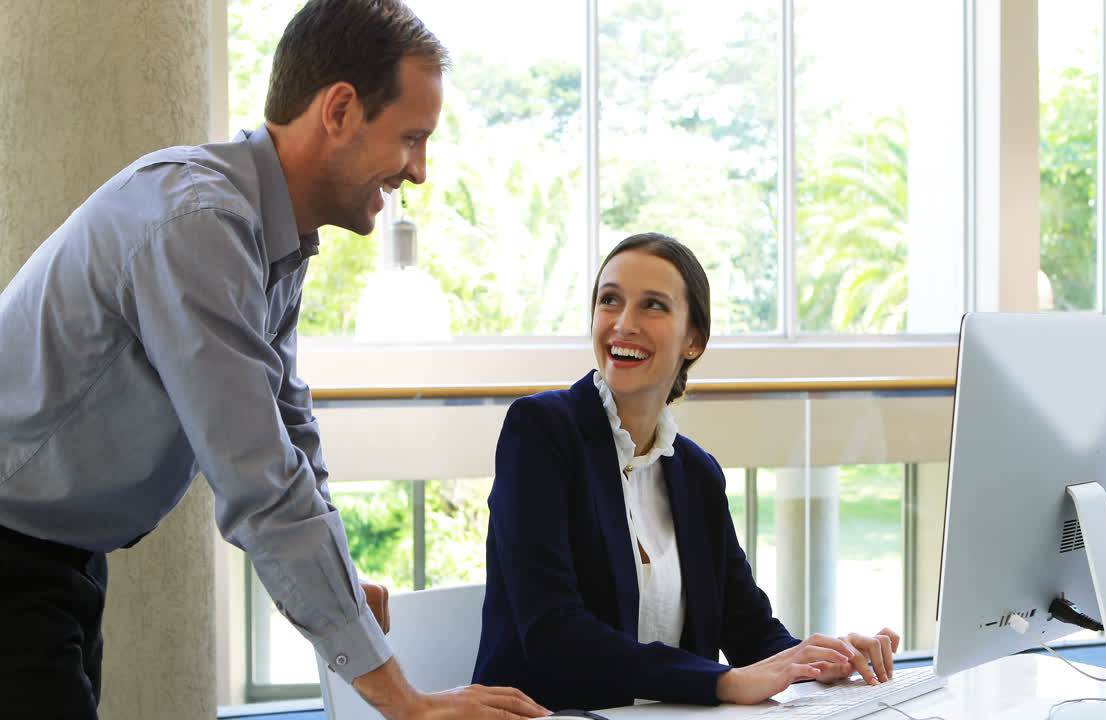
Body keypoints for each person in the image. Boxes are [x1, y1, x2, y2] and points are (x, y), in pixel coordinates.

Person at [0, 1, 548, 718]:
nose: (418, 171)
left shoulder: (269, 235)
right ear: (340, 109)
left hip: (59, 556)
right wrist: (406, 703)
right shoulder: (201, 222)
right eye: (411, 138)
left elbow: (289, 431)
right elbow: (257, 480)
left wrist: (339, 586)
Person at [472, 233, 901, 712]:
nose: (623, 323)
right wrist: (722, 682)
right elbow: (553, 632)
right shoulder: (541, 431)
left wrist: (825, 660)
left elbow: (749, 631)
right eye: (610, 300)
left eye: (652, 305)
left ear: (693, 341)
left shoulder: (697, 473)